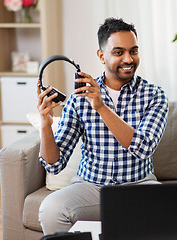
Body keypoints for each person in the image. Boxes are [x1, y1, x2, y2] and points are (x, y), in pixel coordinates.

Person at [37, 17, 169, 235]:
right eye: (118, 52)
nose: (128, 59)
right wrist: (45, 125)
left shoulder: (154, 95)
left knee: (172, 209)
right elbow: (54, 164)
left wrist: (101, 107)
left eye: (133, 51)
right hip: (90, 187)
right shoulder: (79, 98)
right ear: (101, 55)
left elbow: (143, 147)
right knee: (51, 209)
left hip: (139, 186)